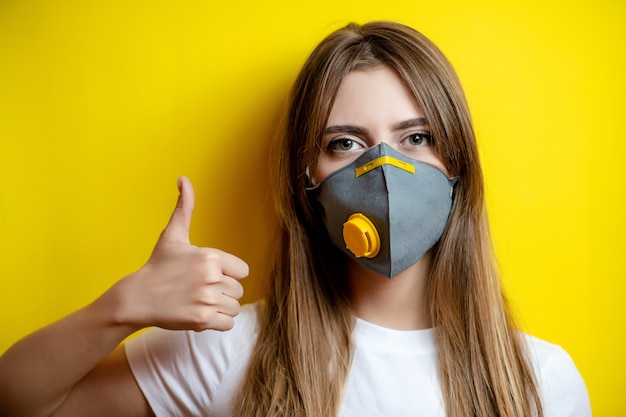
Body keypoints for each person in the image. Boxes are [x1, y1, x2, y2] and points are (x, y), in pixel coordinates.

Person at [0, 21, 591, 417]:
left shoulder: (541, 379)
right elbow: (23, 402)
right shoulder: (229, 352)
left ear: (457, 164)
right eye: (345, 143)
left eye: (416, 137)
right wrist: (120, 308)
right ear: (307, 181)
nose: (384, 169)